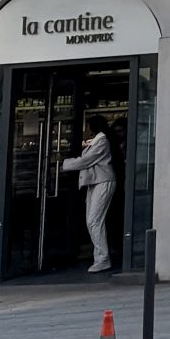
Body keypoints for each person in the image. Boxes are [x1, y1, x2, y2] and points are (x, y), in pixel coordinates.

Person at [61, 113, 117, 273]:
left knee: (94, 221)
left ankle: (103, 258)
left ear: (93, 127)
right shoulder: (96, 141)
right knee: (92, 221)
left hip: (103, 182)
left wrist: (64, 163)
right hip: (95, 183)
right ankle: (99, 256)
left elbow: (86, 161)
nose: (85, 129)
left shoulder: (102, 142)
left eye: (87, 126)